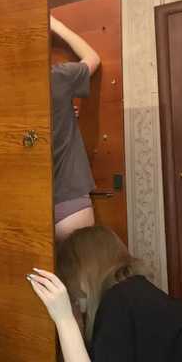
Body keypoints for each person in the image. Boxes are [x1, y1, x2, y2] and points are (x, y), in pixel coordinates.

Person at [27, 226, 182, 362]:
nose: (79, 301)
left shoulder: (119, 301)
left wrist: (64, 318)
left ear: (82, 274)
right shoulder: (139, 297)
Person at [50, 15, 101, 242]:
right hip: (69, 199)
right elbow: (93, 58)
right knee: (81, 265)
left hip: (25, 202)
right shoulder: (59, 77)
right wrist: (56, 25)